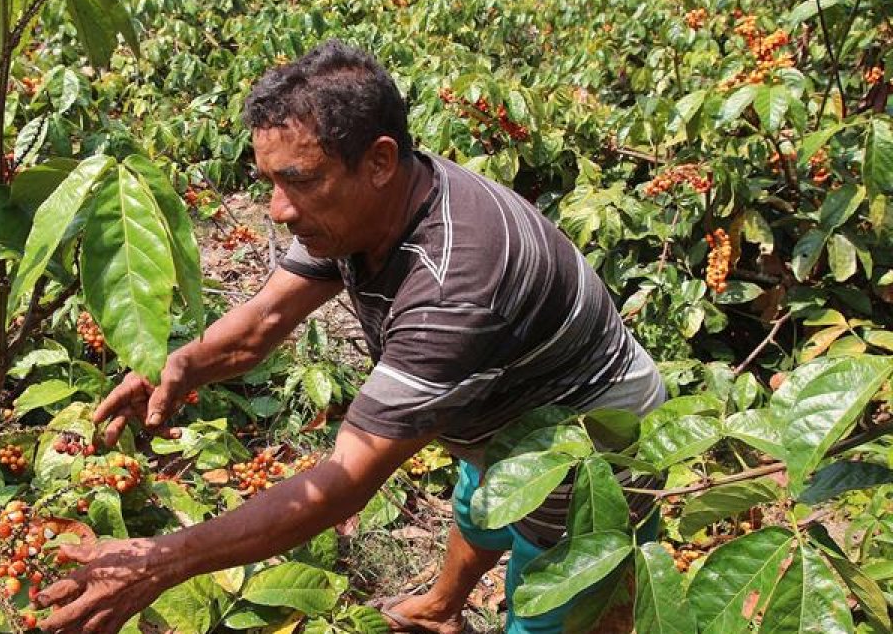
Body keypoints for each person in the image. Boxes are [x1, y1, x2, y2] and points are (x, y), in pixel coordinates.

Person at [36, 40, 664, 634]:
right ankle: (441, 608)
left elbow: (346, 480)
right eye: (270, 182)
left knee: (544, 592)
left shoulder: (457, 286)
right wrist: (177, 365)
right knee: (480, 500)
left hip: (590, 437)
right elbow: (261, 325)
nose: (279, 209)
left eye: (300, 181)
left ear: (380, 161)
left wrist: (163, 561)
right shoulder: (365, 207)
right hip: (504, 409)